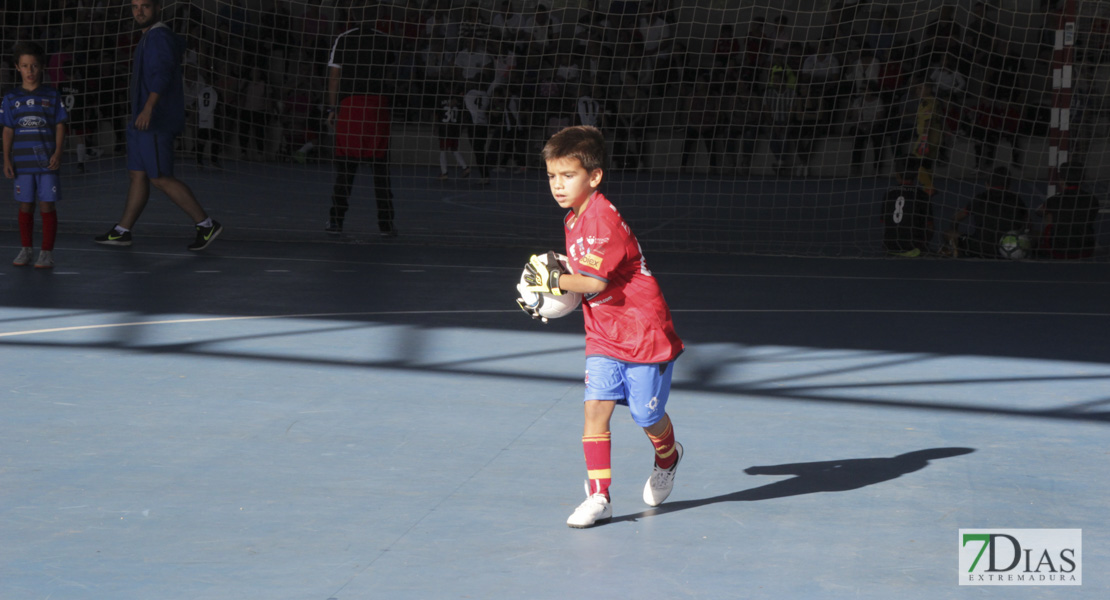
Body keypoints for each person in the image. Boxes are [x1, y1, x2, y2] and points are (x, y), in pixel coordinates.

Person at [520, 125, 685, 528]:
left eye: (568, 176)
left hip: (644, 332)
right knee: (595, 409)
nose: (558, 186)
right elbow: (587, 270)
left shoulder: (600, 219)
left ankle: (669, 455)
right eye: (552, 176)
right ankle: (599, 496)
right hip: (604, 333)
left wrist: (551, 283)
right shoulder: (575, 216)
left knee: (647, 418)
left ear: (593, 177)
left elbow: (594, 283)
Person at [95, 0, 222, 250]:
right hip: (141, 121)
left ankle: (206, 225)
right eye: (135, 6)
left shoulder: (159, 37)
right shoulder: (149, 37)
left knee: (160, 177)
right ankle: (123, 230)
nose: (139, 11)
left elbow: (162, 73)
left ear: (158, 7)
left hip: (153, 120)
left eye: (145, 5)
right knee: (138, 174)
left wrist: (149, 107)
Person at [325, 2, 396, 237]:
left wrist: (332, 108)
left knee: (346, 168)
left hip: (351, 106)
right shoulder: (385, 40)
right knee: (380, 169)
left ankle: (336, 220)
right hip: (376, 107)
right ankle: (386, 223)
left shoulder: (344, 39)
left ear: (353, 15)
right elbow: (389, 75)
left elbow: (335, 76)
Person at [2, 41, 68, 268]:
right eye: (25, 65)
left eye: (34, 66)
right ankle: (26, 249)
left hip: (46, 162)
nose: (30, 71)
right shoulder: (11, 98)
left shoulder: (52, 95)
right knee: (25, 205)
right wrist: (6, 159)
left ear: (42, 67)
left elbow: (60, 125)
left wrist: (58, 151)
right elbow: (8, 130)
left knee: (47, 206)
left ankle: (46, 252)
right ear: (17, 67)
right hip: (22, 163)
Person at [948, 167, 1028, 258]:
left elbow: (956, 218)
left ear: (987, 184)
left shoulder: (980, 198)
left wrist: (954, 229)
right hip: (1008, 246)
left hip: (979, 247)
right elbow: (1028, 223)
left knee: (949, 234)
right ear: (1009, 185)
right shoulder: (1016, 200)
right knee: (1035, 235)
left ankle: (956, 249)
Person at [1040, 162, 1100, 259]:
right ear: (1083, 179)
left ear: (1061, 179)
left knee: (1049, 217)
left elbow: (1039, 212)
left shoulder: (1054, 200)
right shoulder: (1093, 200)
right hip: (1086, 250)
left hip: (1058, 251)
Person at [881, 158, 934, 257]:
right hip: (913, 248)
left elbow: (884, 220)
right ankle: (919, 246)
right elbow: (930, 226)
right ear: (916, 175)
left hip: (890, 247)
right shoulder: (922, 195)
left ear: (897, 174)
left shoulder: (888, 193)